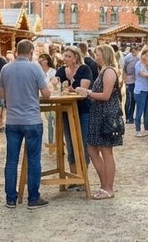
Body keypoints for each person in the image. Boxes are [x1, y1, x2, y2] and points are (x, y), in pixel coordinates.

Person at [0, 39, 51, 209]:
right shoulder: (35, 68)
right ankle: (33, 198)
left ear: (16, 51)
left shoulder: (6, 69)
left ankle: (11, 198)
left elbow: (1, 93)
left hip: (12, 120)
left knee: (11, 160)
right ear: (31, 52)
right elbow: (46, 94)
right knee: (34, 160)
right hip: (31, 119)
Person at [76, 44, 123, 199]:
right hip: (99, 114)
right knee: (92, 149)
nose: (95, 56)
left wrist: (87, 92)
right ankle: (104, 186)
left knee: (106, 152)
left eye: (97, 54)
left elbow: (105, 95)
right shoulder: (104, 70)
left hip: (105, 116)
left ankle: (108, 188)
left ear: (105, 54)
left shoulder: (109, 71)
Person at [57, 45, 93, 175]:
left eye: (68, 56)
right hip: (66, 110)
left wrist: (67, 88)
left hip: (83, 110)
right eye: (64, 56)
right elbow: (55, 86)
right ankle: (73, 175)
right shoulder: (61, 71)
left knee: (83, 143)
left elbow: (83, 90)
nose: (65, 58)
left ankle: (83, 175)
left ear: (75, 58)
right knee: (70, 144)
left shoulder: (84, 69)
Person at [132, 47, 148, 136]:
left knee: (147, 110)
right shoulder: (138, 64)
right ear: (143, 55)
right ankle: (137, 130)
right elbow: (142, 74)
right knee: (139, 110)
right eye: (147, 56)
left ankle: (147, 128)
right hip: (140, 89)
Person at [38, 53, 58, 144]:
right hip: (41, 97)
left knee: (51, 119)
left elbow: (54, 84)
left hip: (51, 96)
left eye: (42, 59)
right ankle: (47, 140)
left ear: (46, 61)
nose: (40, 61)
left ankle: (52, 141)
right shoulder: (38, 71)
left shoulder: (53, 71)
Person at [122, 45, 139, 124]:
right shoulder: (127, 58)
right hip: (129, 80)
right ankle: (128, 118)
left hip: (136, 81)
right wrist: (124, 80)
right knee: (129, 99)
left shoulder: (138, 57)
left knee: (133, 100)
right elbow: (124, 69)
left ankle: (131, 117)